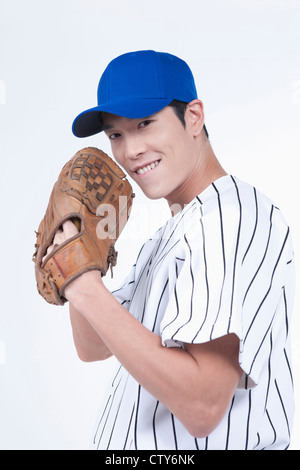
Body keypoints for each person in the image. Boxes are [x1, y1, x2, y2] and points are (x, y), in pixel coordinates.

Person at [50, 50, 295, 450]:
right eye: (116, 134)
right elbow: (92, 345)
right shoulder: (168, 237)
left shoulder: (228, 219)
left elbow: (202, 406)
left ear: (194, 117)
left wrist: (81, 287)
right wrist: (83, 265)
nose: (130, 151)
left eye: (145, 123)